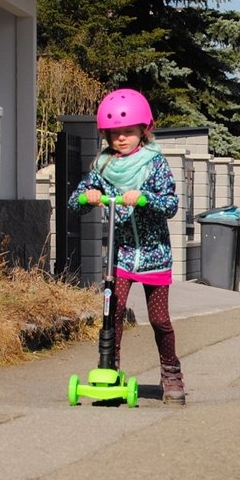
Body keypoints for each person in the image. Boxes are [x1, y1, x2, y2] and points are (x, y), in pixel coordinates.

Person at [68, 88, 185, 405]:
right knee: (113, 313)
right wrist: (86, 197)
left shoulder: (155, 165)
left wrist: (146, 200)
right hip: (119, 258)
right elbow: (73, 203)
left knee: (159, 319)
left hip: (154, 256)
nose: (121, 139)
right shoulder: (102, 167)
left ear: (144, 131)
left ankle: (171, 373)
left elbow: (171, 205)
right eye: (115, 134)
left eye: (128, 132)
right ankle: (110, 370)